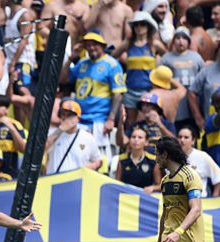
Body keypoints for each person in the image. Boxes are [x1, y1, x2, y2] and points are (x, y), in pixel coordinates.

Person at [62, 31, 127, 161]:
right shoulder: (82, 63)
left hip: (99, 122)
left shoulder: (112, 64)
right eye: (88, 45)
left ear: (102, 46)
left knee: (99, 160)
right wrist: (70, 59)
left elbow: (118, 94)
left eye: (95, 44)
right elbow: (63, 80)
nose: (91, 48)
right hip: (79, 120)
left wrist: (111, 119)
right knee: (77, 159)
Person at [112, 11, 159, 127]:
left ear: (148, 26)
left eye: (142, 24)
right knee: (130, 122)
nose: (139, 27)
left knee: (147, 121)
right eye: (136, 25)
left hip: (148, 89)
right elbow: (112, 56)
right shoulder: (128, 43)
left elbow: (168, 56)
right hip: (130, 89)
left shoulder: (154, 44)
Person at [160, 27, 205, 131]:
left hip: (194, 100)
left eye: (184, 38)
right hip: (176, 101)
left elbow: (203, 76)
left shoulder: (196, 57)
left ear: (188, 41)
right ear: (173, 41)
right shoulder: (166, 58)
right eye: (178, 38)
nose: (181, 41)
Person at [45, 99, 102, 174]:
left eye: (70, 115)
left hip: (77, 180)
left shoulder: (88, 138)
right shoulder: (52, 133)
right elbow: (41, 149)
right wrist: (60, 129)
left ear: (78, 118)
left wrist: (92, 166)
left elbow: (98, 160)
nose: (66, 118)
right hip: (55, 179)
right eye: (63, 114)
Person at [177, 127, 220, 197]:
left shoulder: (203, 156)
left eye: (186, 137)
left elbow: (219, 177)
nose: (182, 140)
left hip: (200, 200)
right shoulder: (171, 158)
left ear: (193, 141)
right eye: (180, 137)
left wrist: (214, 198)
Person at [115, 127, 161, 193]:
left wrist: (153, 188)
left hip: (144, 197)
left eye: (140, 137)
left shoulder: (153, 161)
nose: (136, 139)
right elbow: (116, 183)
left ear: (146, 142)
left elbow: (159, 185)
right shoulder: (122, 159)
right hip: (125, 196)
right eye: (133, 137)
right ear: (129, 140)